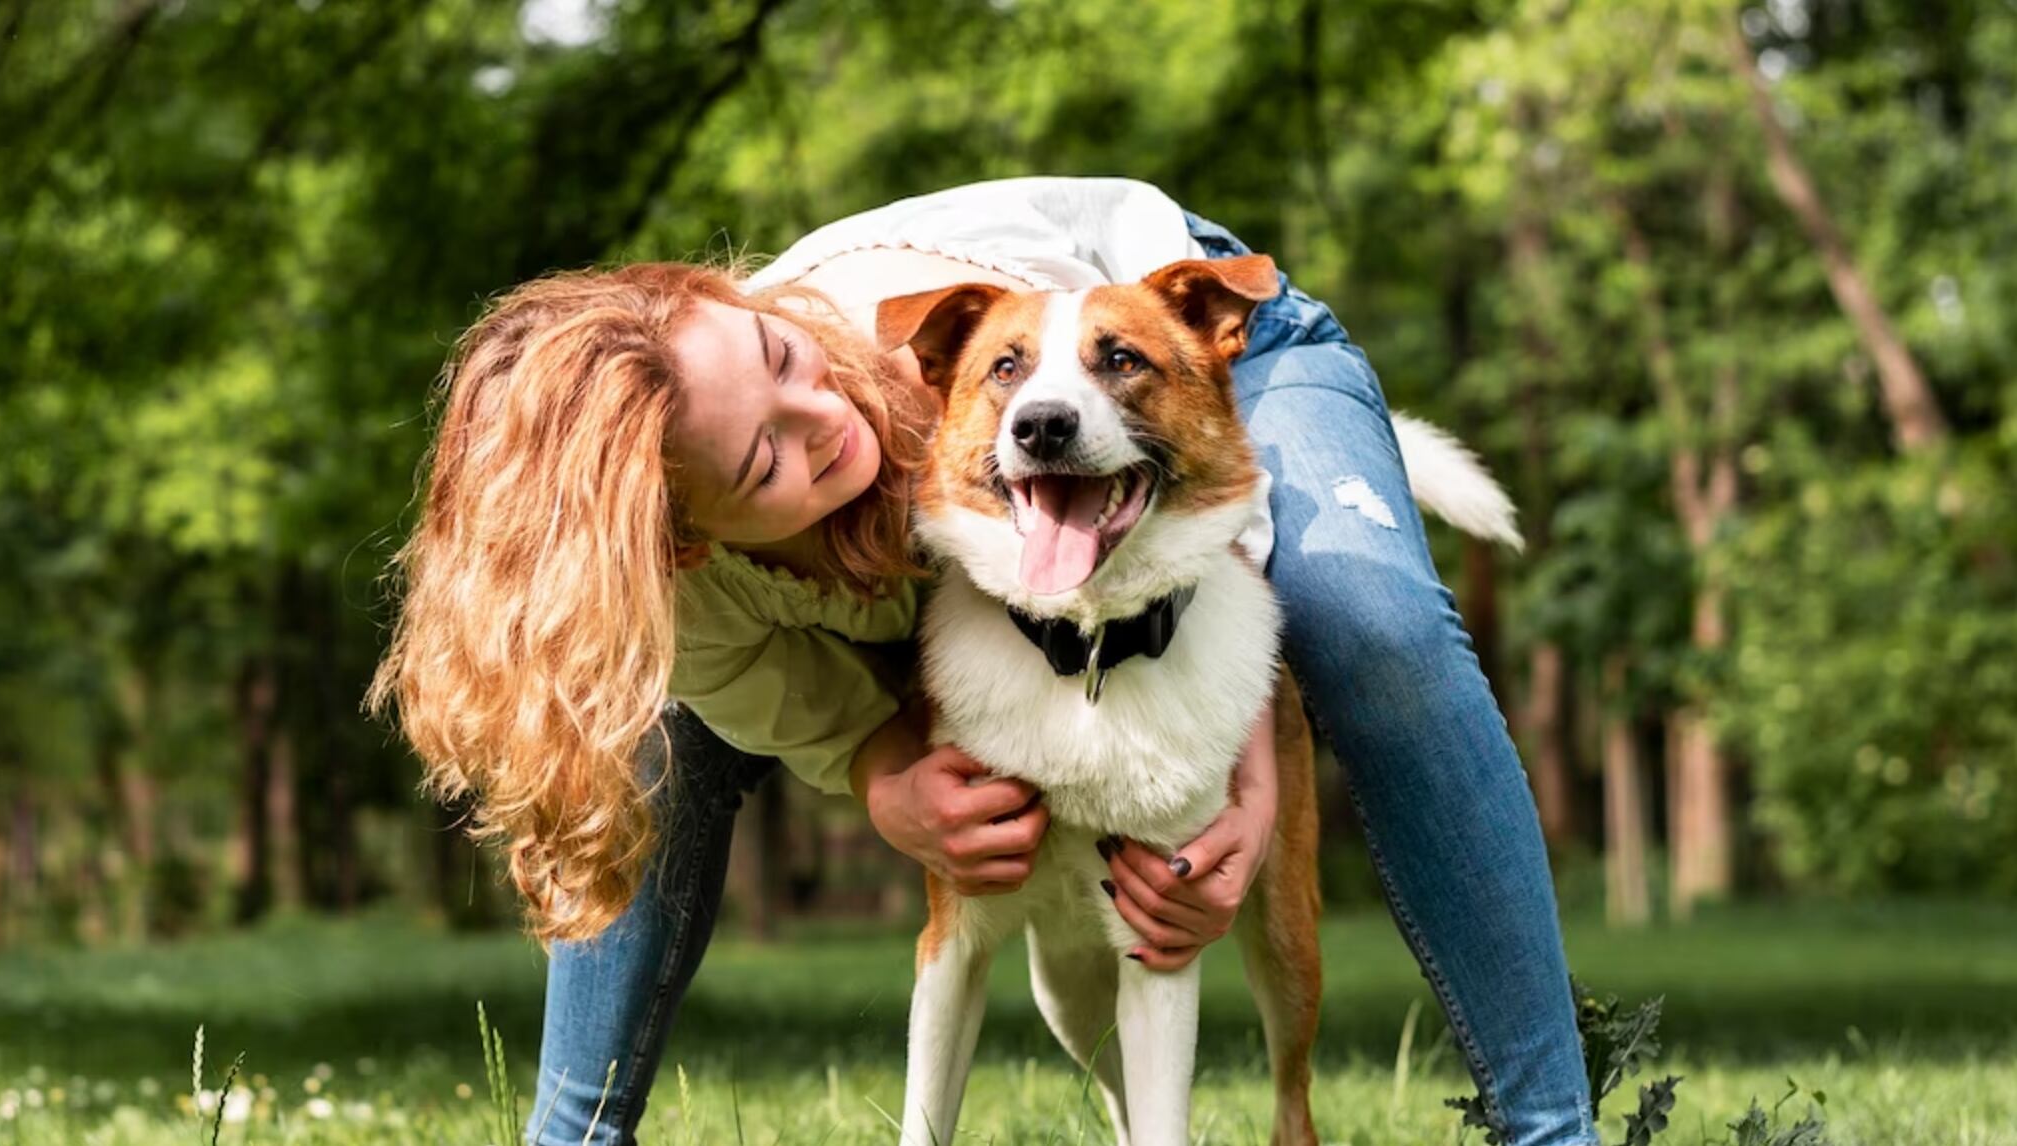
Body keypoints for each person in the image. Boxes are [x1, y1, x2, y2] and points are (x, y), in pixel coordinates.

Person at [368, 178, 1597, 1146]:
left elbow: (1192, 490)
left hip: (1189, 346)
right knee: (653, 738)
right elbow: (809, 713)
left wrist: (1253, 775)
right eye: (766, 469)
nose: (828, 424)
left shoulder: (945, 357)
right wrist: (880, 773)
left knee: (1364, 624)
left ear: (747, 306)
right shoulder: (684, 592)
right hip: (1047, 522)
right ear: (680, 543)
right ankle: (571, 1134)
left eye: (785, 365)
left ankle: (1551, 1131)